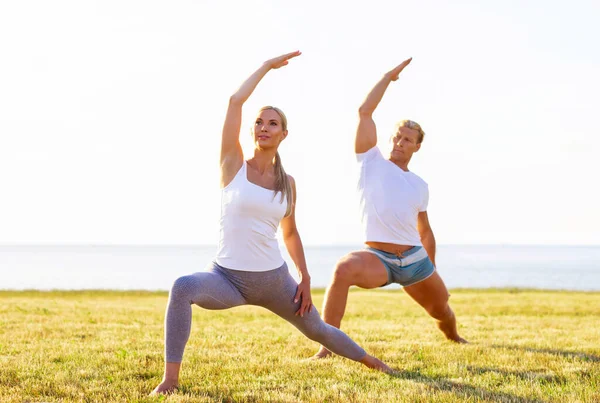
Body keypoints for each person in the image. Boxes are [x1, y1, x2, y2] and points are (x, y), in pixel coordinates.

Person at [151, 51, 391, 395]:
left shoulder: (288, 183)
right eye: (259, 123)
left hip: (275, 280)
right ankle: (170, 381)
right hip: (226, 278)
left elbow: (290, 233)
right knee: (183, 287)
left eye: (272, 123)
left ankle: (374, 363)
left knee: (319, 330)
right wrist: (265, 67)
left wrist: (305, 277)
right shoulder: (233, 165)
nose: (264, 127)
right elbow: (235, 102)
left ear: (284, 134)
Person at [313, 57, 467, 360]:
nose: (399, 142)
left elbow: (425, 230)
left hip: (415, 260)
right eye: (397, 136)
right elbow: (365, 111)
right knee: (343, 268)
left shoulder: (420, 185)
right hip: (379, 258)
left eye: (407, 139)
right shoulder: (370, 162)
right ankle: (326, 347)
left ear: (417, 146)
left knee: (441, 309)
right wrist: (387, 77)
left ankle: (455, 337)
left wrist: (431, 267)